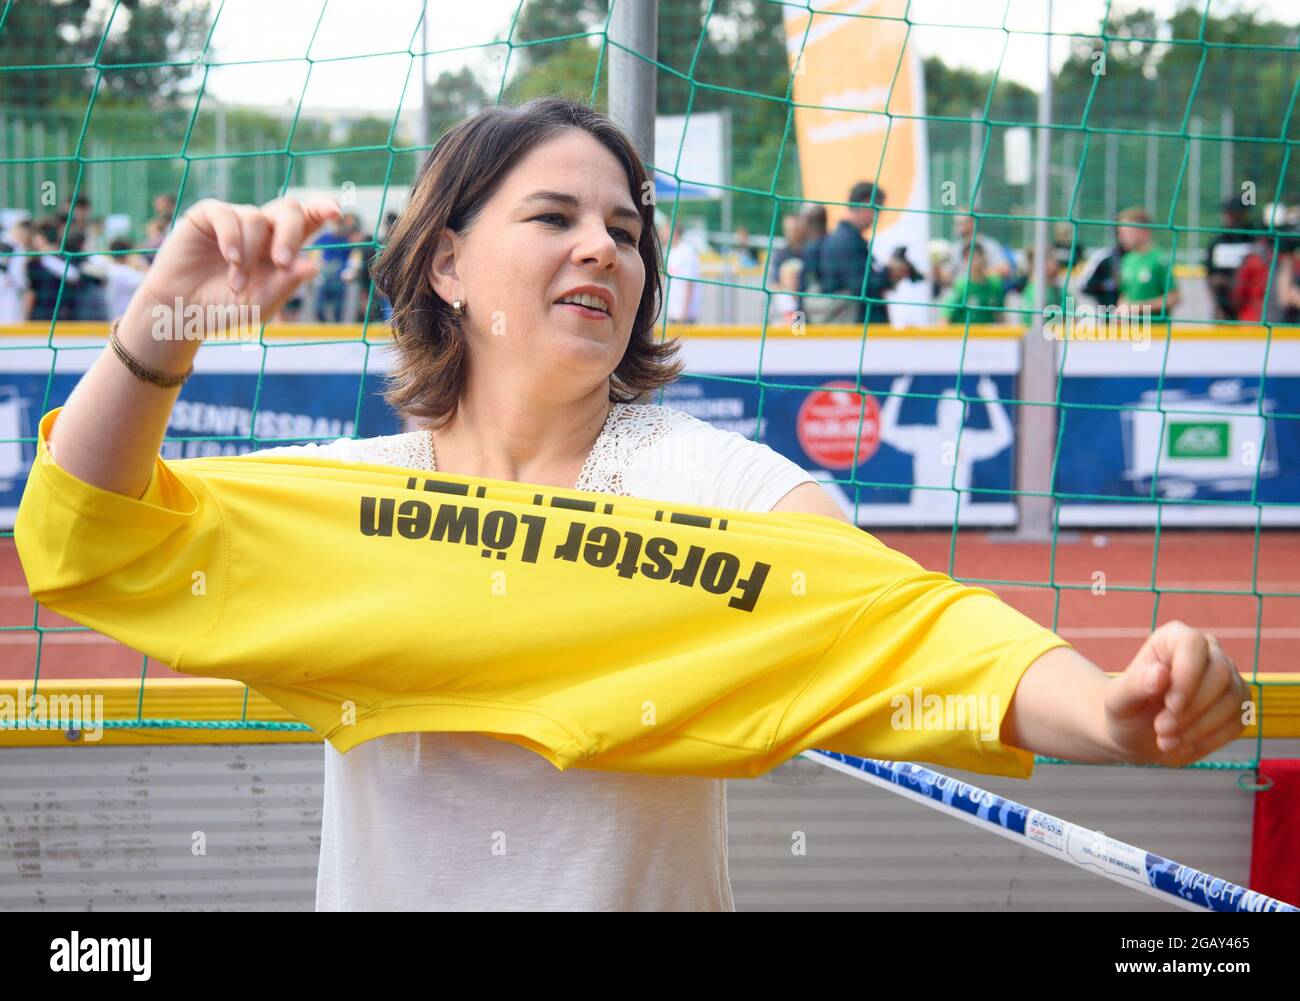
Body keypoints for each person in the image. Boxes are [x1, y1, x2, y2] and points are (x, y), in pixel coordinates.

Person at [31, 96, 1251, 912]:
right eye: (553, 218)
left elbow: (914, 631)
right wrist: (163, 323)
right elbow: (89, 538)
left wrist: (1113, 707)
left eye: (625, 228)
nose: (603, 249)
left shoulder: (719, 487)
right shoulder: (349, 495)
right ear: (447, 264)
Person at [816, 180, 909, 325]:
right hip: (856, 327)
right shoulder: (846, 241)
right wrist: (889, 273)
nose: (878, 216)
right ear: (866, 203)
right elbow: (859, 284)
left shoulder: (843, 238)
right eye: (877, 209)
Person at [1116, 207, 1180, 318]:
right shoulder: (1127, 259)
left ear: (1144, 232)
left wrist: (1138, 307)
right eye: (1120, 232)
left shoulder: (1159, 259)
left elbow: (1174, 297)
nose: (1121, 237)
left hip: (1155, 331)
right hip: (1131, 331)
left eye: (1126, 232)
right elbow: (1125, 294)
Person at [1205, 197, 1257, 321]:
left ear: (1243, 214)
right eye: (1225, 212)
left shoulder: (1254, 239)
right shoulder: (1217, 241)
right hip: (1223, 306)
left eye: (1232, 212)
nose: (1227, 216)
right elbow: (1210, 275)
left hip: (1249, 306)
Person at [941, 244, 1004, 325]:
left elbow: (1000, 315)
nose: (973, 261)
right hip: (964, 333)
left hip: (988, 335)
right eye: (968, 258)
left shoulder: (995, 284)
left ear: (984, 257)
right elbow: (945, 317)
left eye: (976, 256)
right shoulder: (961, 286)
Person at [660, 215, 701, 324]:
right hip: (672, 311)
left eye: (665, 230)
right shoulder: (666, 251)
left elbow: (689, 283)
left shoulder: (687, 252)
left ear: (674, 231)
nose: (662, 233)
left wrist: (684, 313)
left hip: (684, 314)